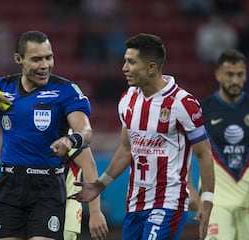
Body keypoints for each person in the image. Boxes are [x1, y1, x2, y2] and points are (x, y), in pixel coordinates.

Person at [0, 30, 103, 240]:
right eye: (37, 59)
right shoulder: (2, 90)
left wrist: (69, 140)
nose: (45, 65)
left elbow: (86, 131)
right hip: (9, 185)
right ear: (18, 59)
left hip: (47, 187)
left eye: (49, 57)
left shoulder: (65, 91)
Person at [69, 33, 215, 240]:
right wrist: (100, 185)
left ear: (151, 67)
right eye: (124, 61)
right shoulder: (127, 100)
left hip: (169, 202)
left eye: (131, 62)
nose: (124, 68)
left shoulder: (183, 103)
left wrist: (207, 200)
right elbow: (127, 149)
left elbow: (204, 154)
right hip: (135, 202)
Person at [197, 49, 249, 240]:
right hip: (215, 201)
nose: (235, 80)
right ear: (218, 75)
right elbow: (182, 151)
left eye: (240, 75)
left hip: (248, 201)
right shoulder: (203, 109)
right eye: (229, 74)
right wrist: (190, 188)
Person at [0, 146, 108, 240]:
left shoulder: (68, 132)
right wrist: (0, 199)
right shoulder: (31, 134)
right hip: (31, 211)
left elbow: (89, 166)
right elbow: (22, 173)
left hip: (63, 214)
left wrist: (95, 211)